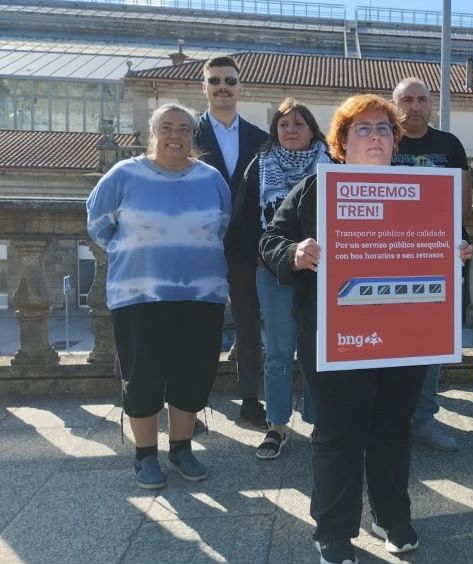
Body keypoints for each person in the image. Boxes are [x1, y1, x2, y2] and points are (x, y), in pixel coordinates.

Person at [259, 94, 472, 564]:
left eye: (383, 129)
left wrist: (455, 253)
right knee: (337, 431)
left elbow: (449, 245)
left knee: (392, 428)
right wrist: (294, 253)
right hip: (337, 335)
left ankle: (391, 517)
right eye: (363, 129)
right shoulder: (316, 188)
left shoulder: (422, 189)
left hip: (404, 334)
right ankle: (333, 529)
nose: (375, 137)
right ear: (341, 143)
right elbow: (269, 239)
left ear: (395, 141)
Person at [87, 104, 230, 490]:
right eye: (166, 127)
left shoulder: (211, 178)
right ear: (152, 133)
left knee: (193, 374)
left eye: (184, 128)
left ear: (193, 135)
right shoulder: (124, 175)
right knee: (144, 377)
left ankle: (181, 449)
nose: (176, 135)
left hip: (202, 295)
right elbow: (99, 226)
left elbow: (222, 225)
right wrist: (145, 254)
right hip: (139, 295)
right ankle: (145, 456)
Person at [233, 98, 329, 459]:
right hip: (271, 269)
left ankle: (319, 418)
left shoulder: (331, 165)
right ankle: (277, 425)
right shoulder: (260, 165)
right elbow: (244, 220)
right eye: (284, 124)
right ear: (274, 130)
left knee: (318, 350)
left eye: (298, 124)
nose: (291, 130)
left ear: (312, 129)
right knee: (277, 350)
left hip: (319, 271)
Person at [391, 77, 472, 452]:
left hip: (437, 258)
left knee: (432, 342)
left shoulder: (448, 145)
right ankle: (390, 418)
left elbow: (462, 203)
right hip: (387, 256)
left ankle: (423, 418)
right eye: (406, 99)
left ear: (431, 104)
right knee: (390, 341)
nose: (415, 106)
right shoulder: (383, 141)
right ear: (395, 104)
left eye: (422, 99)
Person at [195, 55, 269, 428]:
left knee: (248, 326)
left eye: (229, 81)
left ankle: (251, 400)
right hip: (197, 248)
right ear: (204, 87)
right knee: (195, 326)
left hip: (245, 249)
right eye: (215, 81)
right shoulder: (185, 134)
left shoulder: (260, 138)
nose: (222, 87)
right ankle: (189, 403)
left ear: (240, 88)